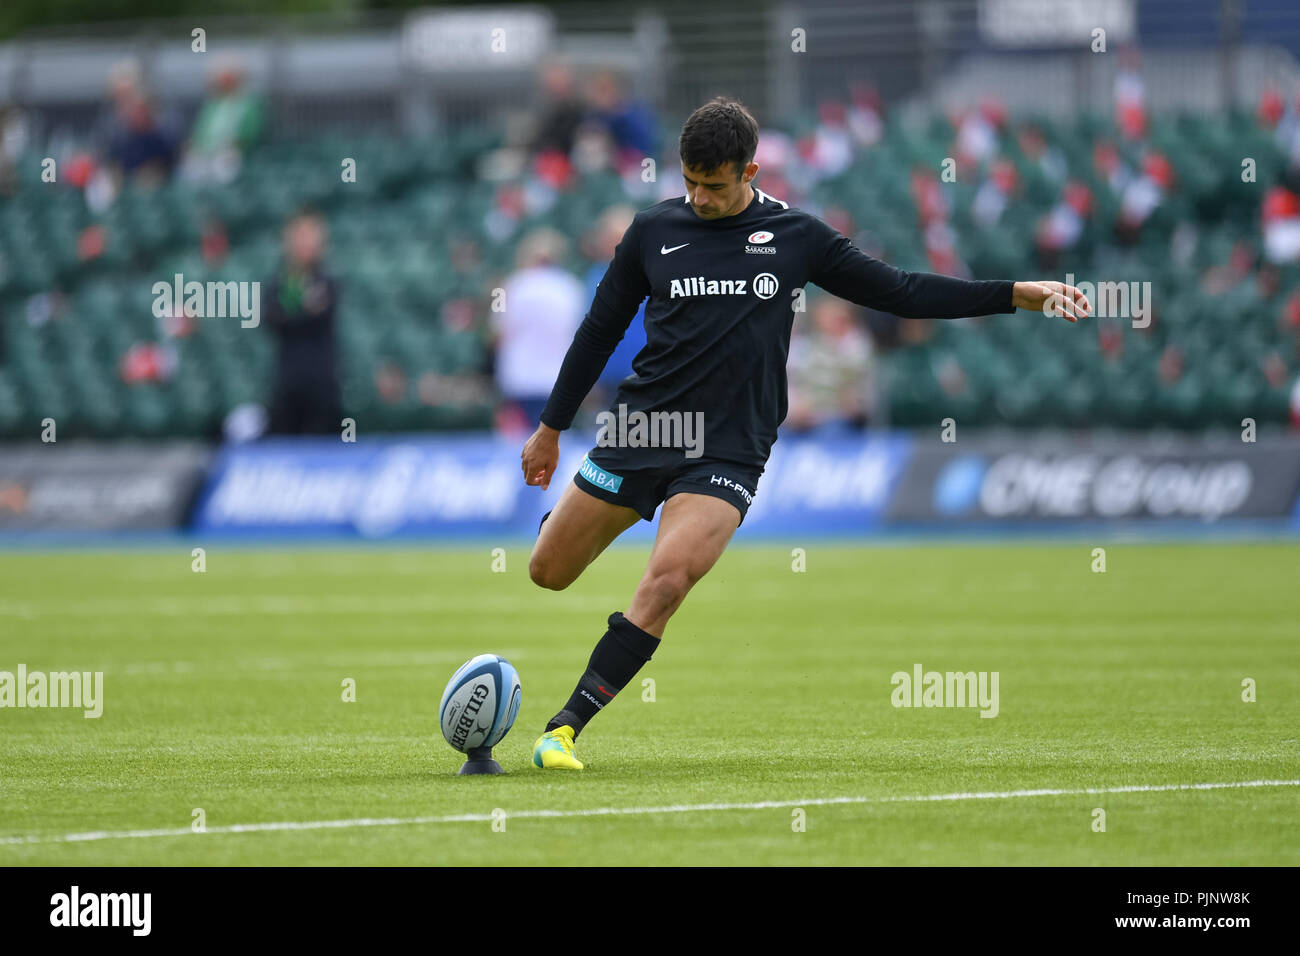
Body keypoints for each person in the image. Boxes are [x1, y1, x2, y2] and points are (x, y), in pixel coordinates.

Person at [519, 97, 1090, 770]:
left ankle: (563, 729)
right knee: (547, 572)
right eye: (690, 181)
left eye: (715, 183)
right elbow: (600, 329)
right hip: (642, 428)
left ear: (751, 170)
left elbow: (900, 290)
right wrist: (551, 429)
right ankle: (579, 517)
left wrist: (1012, 293)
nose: (699, 196)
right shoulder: (651, 232)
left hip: (729, 446)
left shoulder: (796, 238)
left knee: (668, 580)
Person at [264, 209, 341, 435]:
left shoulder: (328, 280)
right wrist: (302, 311)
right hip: (288, 383)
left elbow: (319, 314)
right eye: (300, 235)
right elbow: (272, 319)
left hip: (322, 384)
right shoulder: (278, 282)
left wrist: (293, 314)